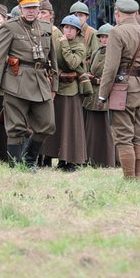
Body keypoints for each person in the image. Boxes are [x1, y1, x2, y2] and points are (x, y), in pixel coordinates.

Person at [0, 0, 58, 169]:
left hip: (40, 81)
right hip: (16, 80)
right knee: (16, 127)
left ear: (39, 9)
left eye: (34, 8)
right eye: (27, 8)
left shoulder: (46, 27)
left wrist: (54, 84)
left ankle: (29, 159)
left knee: (47, 125)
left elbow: (52, 58)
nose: (31, 12)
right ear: (20, 9)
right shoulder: (10, 27)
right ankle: (16, 165)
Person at [96, 0, 140, 179]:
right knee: (137, 138)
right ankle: (137, 179)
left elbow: (110, 68)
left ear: (117, 13)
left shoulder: (117, 32)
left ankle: (129, 180)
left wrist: (102, 95)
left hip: (121, 92)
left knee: (124, 138)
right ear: (136, 13)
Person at [44, 14, 89, 171]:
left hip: (70, 91)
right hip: (56, 88)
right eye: (66, 27)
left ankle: (70, 161)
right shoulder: (57, 42)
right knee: (54, 124)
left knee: (70, 127)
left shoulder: (79, 46)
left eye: (72, 29)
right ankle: (52, 157)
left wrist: (64, 45)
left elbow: (72, 63)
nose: (68, 31)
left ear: (77, 31)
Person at [82, 23, 115, 167]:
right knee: (92, 129)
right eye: (102, 37)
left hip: (107, 96)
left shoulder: (116, 53)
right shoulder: (96, 52)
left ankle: (109, 160)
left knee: (107, 130)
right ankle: (91, 159)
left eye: (107, 37)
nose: (104, 39)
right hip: (93, 95)